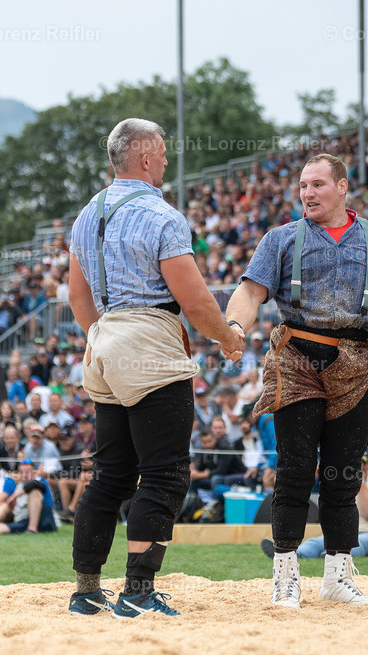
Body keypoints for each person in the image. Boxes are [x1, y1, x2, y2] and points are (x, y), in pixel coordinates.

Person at [66, 118, 243, 618]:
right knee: (165, 474)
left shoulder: (87, 214)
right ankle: (138, 591)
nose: (166, 160)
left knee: (109, 475)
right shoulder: (161, 216)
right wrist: (229, 337)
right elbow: (196, 302)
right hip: (148, 339)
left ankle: (86, 590)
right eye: (162, 153)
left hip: (102, 342)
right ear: (145, 158)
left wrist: (104, 340)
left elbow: (77, 296)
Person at [224, 152, 368, 607]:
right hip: (296, 357)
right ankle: (285, 577)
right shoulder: (281, 238)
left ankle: (337, 578)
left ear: (343, 187)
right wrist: (233, 327)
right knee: (294, 470)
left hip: (356, 359)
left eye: (318, 185)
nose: (307, 193)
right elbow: (250, 292)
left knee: (344, 475)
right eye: (303, 186)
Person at [261, 450, 368, 559]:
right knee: (315, 542)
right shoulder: (341, 484)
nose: (356, 466)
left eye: (361, 463)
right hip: (346, 533)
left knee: (360, 543)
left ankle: (332, 555)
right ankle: (296, 555)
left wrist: (359, 480)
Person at [0, 460, 58, 535]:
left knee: (34, 492)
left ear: (34, 473)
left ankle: (32, 529)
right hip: (22, 520)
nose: (24, 475)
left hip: (43, 521)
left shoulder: (40, 481)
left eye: (27, 472)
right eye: (21, 472)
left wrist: (14, 496)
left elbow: (34, 484)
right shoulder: (20, 485)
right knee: (4, 506)